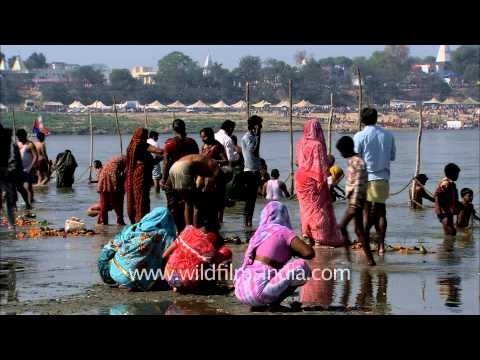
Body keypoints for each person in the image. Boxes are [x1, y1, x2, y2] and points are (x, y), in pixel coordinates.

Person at [234, 201, 314, 309]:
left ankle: (260, 303)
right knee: (302, 267)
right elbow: (309, 253)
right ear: (284, 216)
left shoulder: (259, 233)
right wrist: (295, 249)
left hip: (241, 291)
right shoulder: (283, 231)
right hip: (259, 294)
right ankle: (275, 304)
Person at [97, 207, 176, 291]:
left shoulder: (135, 228)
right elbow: (167, 259)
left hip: (114, 271)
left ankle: (122, 281)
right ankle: (131, 282)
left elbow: (111, 248)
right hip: (139, 281)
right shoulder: (166, 234)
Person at [294, 119, 345, 247]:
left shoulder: (300, 143)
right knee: (317, 209)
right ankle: (318, 238)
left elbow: (298, 162)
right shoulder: (317, 144)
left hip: (300, 178)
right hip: (313, 179)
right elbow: (321, 165)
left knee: (305, 208)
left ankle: (306, 234)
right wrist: (326, 180)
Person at [354, 107, 396, 255]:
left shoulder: (359, 136)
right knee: (381, 213)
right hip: (383, 178)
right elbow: (392, 156)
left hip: (366, 178)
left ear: (362, 120)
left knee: (366, 213)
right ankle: (381, 246)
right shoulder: (388, 135)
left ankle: (365, 243)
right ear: (376, 118)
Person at [163, 218, 232, 293]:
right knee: (226, 252)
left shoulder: (188, 231)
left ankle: (176, 284)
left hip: (168, 275)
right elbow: (209, 267)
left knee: (181, 255)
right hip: (187, 282)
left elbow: (164, 255)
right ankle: (212, 284)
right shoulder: (208, 247)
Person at [336, 136, 375, 266]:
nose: (341, 154)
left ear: (346, 149)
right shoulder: (354, 161)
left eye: (341, 151)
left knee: (342, 226)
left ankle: (348, 259)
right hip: (356, 200)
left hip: (356, 201)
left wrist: (354, 204)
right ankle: (370, 261)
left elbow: (358, 184)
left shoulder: (356, 162)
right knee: (359, 231)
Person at [161, 119, 199, 231]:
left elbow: (166, 162)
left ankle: (179, 229)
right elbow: (196, 159)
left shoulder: (170, 144)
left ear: (173, 129)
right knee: (187, 203)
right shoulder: (192, 142)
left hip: (173, 176)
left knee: (173, 205)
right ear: (184, 127)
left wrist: (163, 179)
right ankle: (188, 229)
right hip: (188, 175)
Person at [168, 154, 222, 228]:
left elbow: (199, 183)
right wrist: (206, 194)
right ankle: (195, 230)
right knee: (197, 204)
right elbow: (211, 181)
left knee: (188, 203)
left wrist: (199, 191)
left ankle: (188, 229)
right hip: (184, 168)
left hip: (174, 167)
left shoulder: (202, 163)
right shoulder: (216, 167)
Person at [125, 128, 164, 224]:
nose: (146, 138)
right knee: (142, 199)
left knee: (136, 198)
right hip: (141, 176)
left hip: (135, 175)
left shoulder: (131, 146)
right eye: (145, 136)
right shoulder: (141, 144)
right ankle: (141, 221)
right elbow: (158, 151)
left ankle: (135, 220)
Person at [200, 127, 229, 224]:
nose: (203, 139)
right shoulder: (203, 146)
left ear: (210, 135)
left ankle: (219, 223)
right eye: (202, 137)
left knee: (219, 201)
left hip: (216, 177)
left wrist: (214, 161)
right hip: (205, 177)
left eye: (204, 137)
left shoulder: (218, 146)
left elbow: (226, 161)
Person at [241, 115, 263, 227]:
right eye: (259, 125)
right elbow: (253, 150)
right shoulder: (247, 137)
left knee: (253, 199)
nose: (261, 127)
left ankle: (249, 222)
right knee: (249, 198)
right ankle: (246, 222)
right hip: (250, 171)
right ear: (255, 126)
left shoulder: (253, 136)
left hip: (255, 170)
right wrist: (259, 136)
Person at [0, 125, 22, 231]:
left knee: (9, 200)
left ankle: (12, 226)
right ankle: (11, 226)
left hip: (7, 175)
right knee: (8, 200)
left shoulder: (10, 143)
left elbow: (15, 161)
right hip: (6, 175)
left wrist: (8, 170)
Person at [95, 156, 126, 225]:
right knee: (116, 201)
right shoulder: (129, 161)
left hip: (103, 179)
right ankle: (120, 220)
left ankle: (103, 221)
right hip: (111, 177)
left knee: (104, 202)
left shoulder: (117, 160)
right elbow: (126, 175)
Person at [434, 163, 461, 236]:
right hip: (444, 211)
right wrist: (438, 210)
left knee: (452, 230)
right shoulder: (446, 183)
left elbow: (452, 196)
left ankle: (448, 246)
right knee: (450, 230)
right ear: (451, 174)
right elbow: (437, 195)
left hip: (449, 210)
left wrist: (458, 204)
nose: (458, 176)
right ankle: (447, 246)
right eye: (457, 174)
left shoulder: (452, 184)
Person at [16, 129, 38, 206]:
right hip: (19, 168)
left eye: (20, 137)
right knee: (19, 186)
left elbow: (35, 157)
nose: (19, 138)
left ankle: (30, 203)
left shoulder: (30, 144)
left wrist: (31, 167)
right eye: (17, 137)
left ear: (24, 136)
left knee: (29, 187)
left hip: (29, 168)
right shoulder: (17, 144)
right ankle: (27, 201)